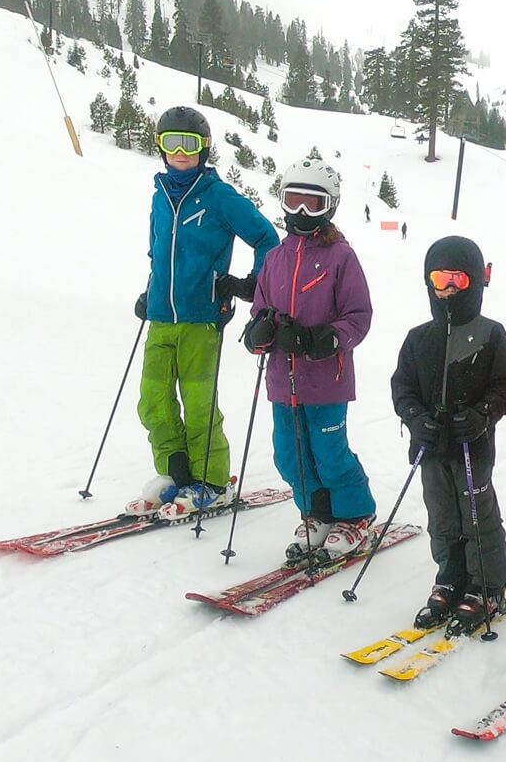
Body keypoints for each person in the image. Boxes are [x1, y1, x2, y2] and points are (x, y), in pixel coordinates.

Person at [128, 106, 279, 520]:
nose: (179, 153)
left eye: (188, 144)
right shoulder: (160, 196)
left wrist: (251, 284)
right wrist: (150, 291)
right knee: (152, 400)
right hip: (162, 317)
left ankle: (211, 481)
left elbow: (267, 237)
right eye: (170, 143)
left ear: (204, 149)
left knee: (198, 403)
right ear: (159, 148)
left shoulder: (218, 196)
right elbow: (159, 251)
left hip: (201, 317)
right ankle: (177, 474)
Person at [242, 159, 377, 561]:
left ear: (330, 206)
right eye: (294, 201)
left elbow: (358, 316)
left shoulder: (340, 257)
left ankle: (354, 515)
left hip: (326, 381)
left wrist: (329, 338)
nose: (302, 212)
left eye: (313, 204)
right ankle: (316, 513)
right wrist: (258, 335)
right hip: (282, 382)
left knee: (330, 453)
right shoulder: (275, 258)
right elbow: (259, 310)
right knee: (289, 454)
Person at [391, 237, 506, 635]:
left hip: (472, 447)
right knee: (442, 516)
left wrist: (483, 414)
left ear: (476, 283)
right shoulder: (419, 338)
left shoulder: (491, 334)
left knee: (477, 515)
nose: (447, 290)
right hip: (431, 449)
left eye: (457, 280)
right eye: (439, 279)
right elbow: (403, 387)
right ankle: (450, 577)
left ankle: (486, 586)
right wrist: (415, 418)